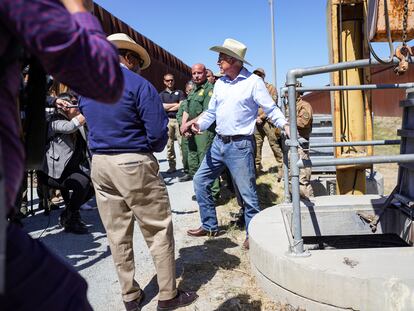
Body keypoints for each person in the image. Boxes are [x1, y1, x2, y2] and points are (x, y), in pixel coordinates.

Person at [0, 0, 124, 310]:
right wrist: (78, 9)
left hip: (63, 165)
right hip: (53, 166)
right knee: (65, 297)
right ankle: (66, 212)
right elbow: (103, 77)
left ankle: (69, 212)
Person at [79, 33, 198, 311]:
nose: (138, 67)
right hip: (132, 161)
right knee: (157, 229)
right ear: (129, 57)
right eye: (137, 62)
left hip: (101, 164)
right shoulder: (139, 85)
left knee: (116, 233)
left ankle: (130, 296)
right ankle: (168, 295)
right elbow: (157, 136)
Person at [185, 38, 289, 250]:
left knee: (248, 194)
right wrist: (199, 125)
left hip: (240, 146)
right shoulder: (221, 83)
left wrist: (285, 125)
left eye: (221, 58)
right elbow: (212, 112)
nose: (218, 63)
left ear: (233, 60)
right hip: (218, 143)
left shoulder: (253, 83)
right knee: (200, 181)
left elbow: (270, 108)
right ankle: (210, 225)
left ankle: (253, 233)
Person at [37, 92, 93, 234]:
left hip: (70, 170)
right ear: (66, 107)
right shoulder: (53, 121)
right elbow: (69, 127)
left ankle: (68, 214)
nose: (79, 107)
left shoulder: (77, 121)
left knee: (92, 185)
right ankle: (71, 219)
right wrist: (90, 109)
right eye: (75, 104)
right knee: (82, 184)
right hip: (51, 173)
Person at [180, 64, 220, 201]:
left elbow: (206, 112)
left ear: (205, 73)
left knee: (206, 161)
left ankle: (213, 194)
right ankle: (201, 192)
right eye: (194, 73)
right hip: (192, 129)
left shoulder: (210, 90)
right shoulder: (193, 90)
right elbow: (186, 108)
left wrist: (188, 124)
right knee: (194, 159)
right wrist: (183, 125)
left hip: (205, 131)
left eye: (199, 73)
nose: (196, 75)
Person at [253, 68, 284, 179]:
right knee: (256, 146)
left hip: (268, 121)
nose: (258, 76)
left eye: (260, 75)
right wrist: (255, 118)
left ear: (263, 76)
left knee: (274, 144)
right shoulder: (252, 87)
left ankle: (282, 168)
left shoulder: (270, 88)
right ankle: (256, 169)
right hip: (256, 122)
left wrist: (261, 116)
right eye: (256, 75)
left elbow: (272, 105)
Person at [159, 73, 185, 173]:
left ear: (174, 81)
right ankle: (172, 166)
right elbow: (162, 106)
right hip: (167, 121)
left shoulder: (180, 92)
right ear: (164, 82)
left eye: (171, 80)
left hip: (178, 120)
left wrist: (168, 107)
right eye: (167, 80)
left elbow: (181, 106)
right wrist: (176, 104)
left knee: (181, 144)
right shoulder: (161, 95)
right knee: (169, 144)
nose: (170, 82)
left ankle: (185, 166)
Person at [176, 80, 194, 182]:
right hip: (185, 132)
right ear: (186, 92)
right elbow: (179, 115)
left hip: (196, 131)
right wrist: (183, 128)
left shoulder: (198, 102)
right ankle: (187, 172)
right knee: (186, 153)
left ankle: (196, 173)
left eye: (193, 90)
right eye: (189, 90)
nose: (191, 92)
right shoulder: (184, 103)